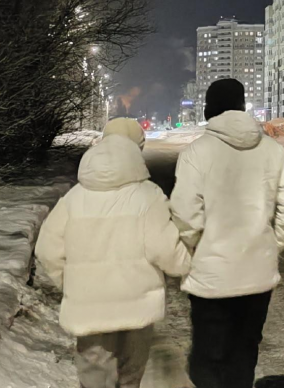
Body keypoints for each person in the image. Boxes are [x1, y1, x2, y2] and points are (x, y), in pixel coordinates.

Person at [35, 118, 191, 388]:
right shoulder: (148, 195)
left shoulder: (74, 198)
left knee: (95, 377)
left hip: (89, 308)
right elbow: (166, 249)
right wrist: (187, 265)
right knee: (130, 376)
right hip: (137, 308)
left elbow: (47, 250)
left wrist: (71, 283)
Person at [171, 78, 284, 388]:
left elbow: (183, 211)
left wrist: (199, 245)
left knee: (208, 358)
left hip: (211, 277)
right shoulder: (272, 150)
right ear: (242, 107)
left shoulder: (197, 152)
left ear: (210, 110)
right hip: (257, 274)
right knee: (244, 353)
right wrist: (273, 243)